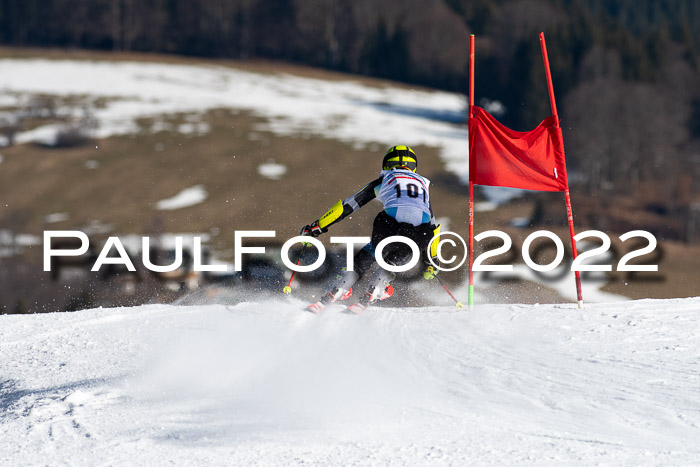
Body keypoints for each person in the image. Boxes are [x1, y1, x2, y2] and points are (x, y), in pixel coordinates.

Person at [300, 145, 440, 313]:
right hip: (420, 233)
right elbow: (433, 226)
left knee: (375, 249)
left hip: (388, 225)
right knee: (398, 255)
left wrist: (317, 227)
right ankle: (377, 288)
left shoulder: (385, 179)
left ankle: (340, 288)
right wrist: (431, 261)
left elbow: (346, 207)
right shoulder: (423, 184)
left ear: (387, 163)